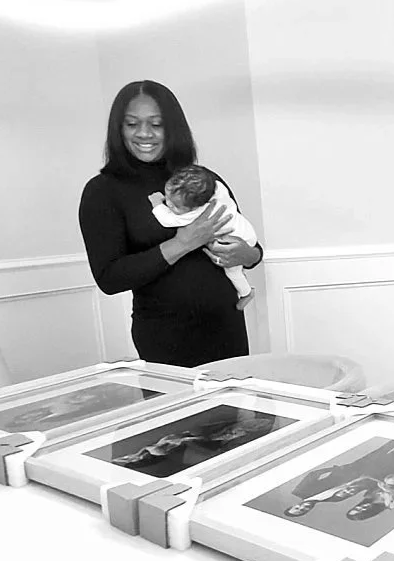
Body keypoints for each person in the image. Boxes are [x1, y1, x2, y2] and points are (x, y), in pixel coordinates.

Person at [79, 80, 263, 367]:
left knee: (235, 411)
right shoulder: (103, 191)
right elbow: (109, 278)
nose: (144, 133)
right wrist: (183, 242)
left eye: (156, 124)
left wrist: (248, 255)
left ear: (172, 128)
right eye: (132, 124)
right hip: (165, 335)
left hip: (227, 327)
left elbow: (249, 245)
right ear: (119, 129)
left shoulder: (204, 180)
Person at [151, 164, 260, 310]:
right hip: (247, 230)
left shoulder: (196, 214)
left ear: (195, 206)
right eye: (167, 196)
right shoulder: (219, 192)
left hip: (235, 241)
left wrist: (157, 202)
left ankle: (246, 293)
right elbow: (216, 185)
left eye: (176, 206)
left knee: (233, 272)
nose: (168, 203)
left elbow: (167, 220)